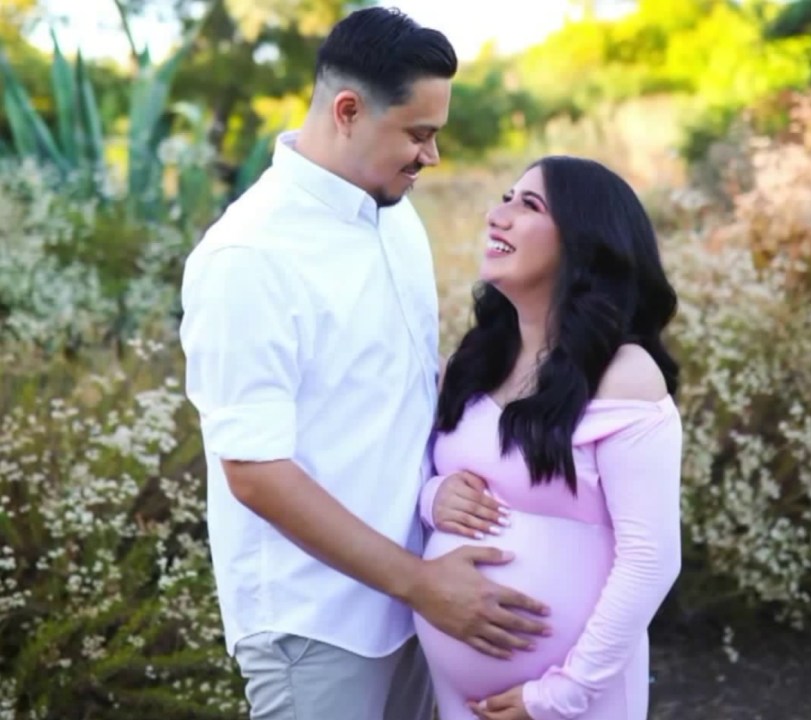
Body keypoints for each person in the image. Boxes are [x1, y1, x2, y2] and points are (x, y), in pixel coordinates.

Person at [179, 7, 550, 720]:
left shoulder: (393, 218)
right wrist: (421, 583)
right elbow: (255, 474)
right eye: (418, 134)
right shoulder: (247, 257)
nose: (432, 157)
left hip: (415, 599)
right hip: (316, 620)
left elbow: (399, 392)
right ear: (347, 111)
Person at [413, 156, 683, 720]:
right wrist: (432, 497)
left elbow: (651, 560)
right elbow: (419, 473)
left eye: (528, 205)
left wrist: (559, 696)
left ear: (585, 242)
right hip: (459, 696)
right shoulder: (474, 360)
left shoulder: (623, 374)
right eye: (504, 198)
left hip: (572, 701)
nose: (497, 216)